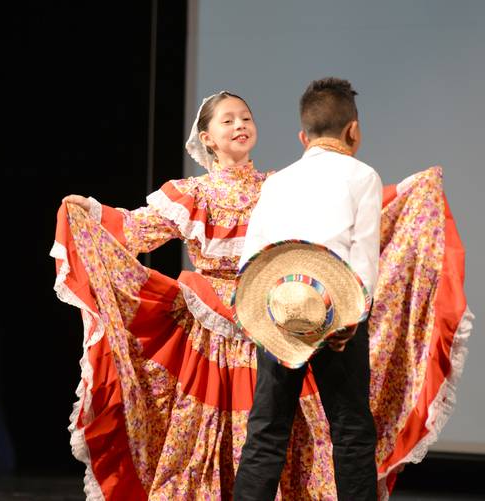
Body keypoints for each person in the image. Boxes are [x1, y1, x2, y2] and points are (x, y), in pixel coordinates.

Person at [52, 89, 471, 500]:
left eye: (246, 118)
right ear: (207, 138)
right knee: (236, 428)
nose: (240, 125)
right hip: (217, 325)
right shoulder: (192, 193)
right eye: (228, 120)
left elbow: (336, 215)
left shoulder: (279, 182)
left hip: (282, 310)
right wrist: (92, 213)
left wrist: (407, 193)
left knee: (280, 430)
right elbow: (138, 229)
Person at [232, 74, 381, 501]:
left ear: (303, 136)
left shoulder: (278, 181)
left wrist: (265, 316)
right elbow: (364, 258)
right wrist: (353, 318)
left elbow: (253, 255)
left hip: (280, 316)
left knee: (266, 432)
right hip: (337, 318)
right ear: (353, 131)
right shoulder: (362, 175)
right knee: (351, 430)